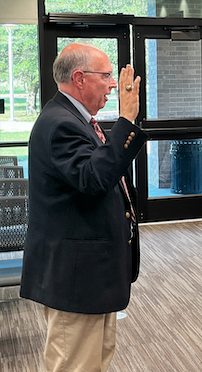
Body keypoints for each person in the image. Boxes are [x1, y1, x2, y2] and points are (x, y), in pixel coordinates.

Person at [20, 43, 147, 372]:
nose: (113, 84)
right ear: (79, 78)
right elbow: (95, 178)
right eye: (106, 76)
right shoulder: (61, 124)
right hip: (75, 278)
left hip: (93, 274)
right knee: (75, 364)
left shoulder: (79, 120)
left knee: (95, 361)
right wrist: (126, 120)